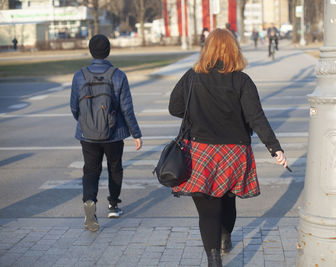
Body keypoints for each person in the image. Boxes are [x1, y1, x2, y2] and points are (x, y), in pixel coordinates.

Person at [168, 29, 287, 267]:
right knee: (228, 198)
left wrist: (196, 114)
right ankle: (225, 237)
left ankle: (214, 259)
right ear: (234, 49)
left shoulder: (192, 76)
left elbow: (175, 108)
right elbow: (256, 118)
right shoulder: (241, 80)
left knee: (207, 210)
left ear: (207, 49)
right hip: (233, 153)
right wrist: (275, 148)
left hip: (199, 152)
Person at [70, 34, 143, 232]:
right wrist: (136, 134)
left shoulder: (80, 76)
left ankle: (89, 202)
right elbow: (126, 109)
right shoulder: (118, 75)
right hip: (114, 133)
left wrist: (86, 123)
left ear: (91, 51)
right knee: (115, 167)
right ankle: (113, 205)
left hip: (87, 135)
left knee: (90, 170)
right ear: (108, 51)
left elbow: (74, 107)